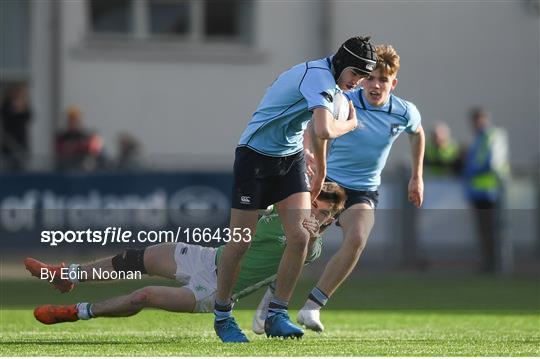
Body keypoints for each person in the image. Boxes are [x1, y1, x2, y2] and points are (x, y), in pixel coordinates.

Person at [215, 36, 377, 342]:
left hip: (289, 159)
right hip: (254, 157)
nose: (358, 83)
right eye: (356, 74)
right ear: (341, 64)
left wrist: (321, 173)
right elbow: (325, 128)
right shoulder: (319, 77)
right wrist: (351, 125)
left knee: (301, 236)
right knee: (239, 245)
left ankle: (276, 314)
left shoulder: (332, 83)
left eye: (364, 77)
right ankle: (223, 315)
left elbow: (317, 134)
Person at [24, 183, 346, 329]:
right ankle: (68, 275)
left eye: (324, 213)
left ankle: (77, 312)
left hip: (216, 289)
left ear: (330, 221)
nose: (314, 213)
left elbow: (288, 272)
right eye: (314, 204)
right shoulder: (284, 210)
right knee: (138, 258)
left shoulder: (307, 245)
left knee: (144, 295)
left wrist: (267, 316)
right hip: (208, 258)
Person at [264, 44, 425, 333]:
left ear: (393, 83)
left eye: (383, 80)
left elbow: (418, 133)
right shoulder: (345, 102)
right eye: (370, 78)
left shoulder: (403, 112)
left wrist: (417, 176)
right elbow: (313, 125)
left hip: (364, 191)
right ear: (363, 78)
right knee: (304, 242)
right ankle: (272, 302)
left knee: (358, 238)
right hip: (329, 186)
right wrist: (307, 153)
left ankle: (312, 307)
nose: (375, 85)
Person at [463, 107, 509, 273]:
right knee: (484, 231)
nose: (477, 124)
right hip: (478, 192)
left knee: (495, 231)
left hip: (492, 192)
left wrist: (470, 170)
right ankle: (488, 265)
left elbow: (492, 163)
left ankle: (498, 266)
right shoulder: (478, 139)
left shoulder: (492, 136)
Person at [55, 106, 104, 171]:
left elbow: (94, 149)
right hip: (66, 169)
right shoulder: (62, 137)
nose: (73, 123)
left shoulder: (85, 136)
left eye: (75, 120)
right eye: (71, 120)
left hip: (82, 168)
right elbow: (62, 150)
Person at [1, 85, 32, 170]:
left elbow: (28, 116)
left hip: (21, 146)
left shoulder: (25, 109)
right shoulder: (6, 106)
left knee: (21, 168)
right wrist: (14, 109)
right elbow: (6, 115)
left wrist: (20, 108)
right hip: (8, 145)